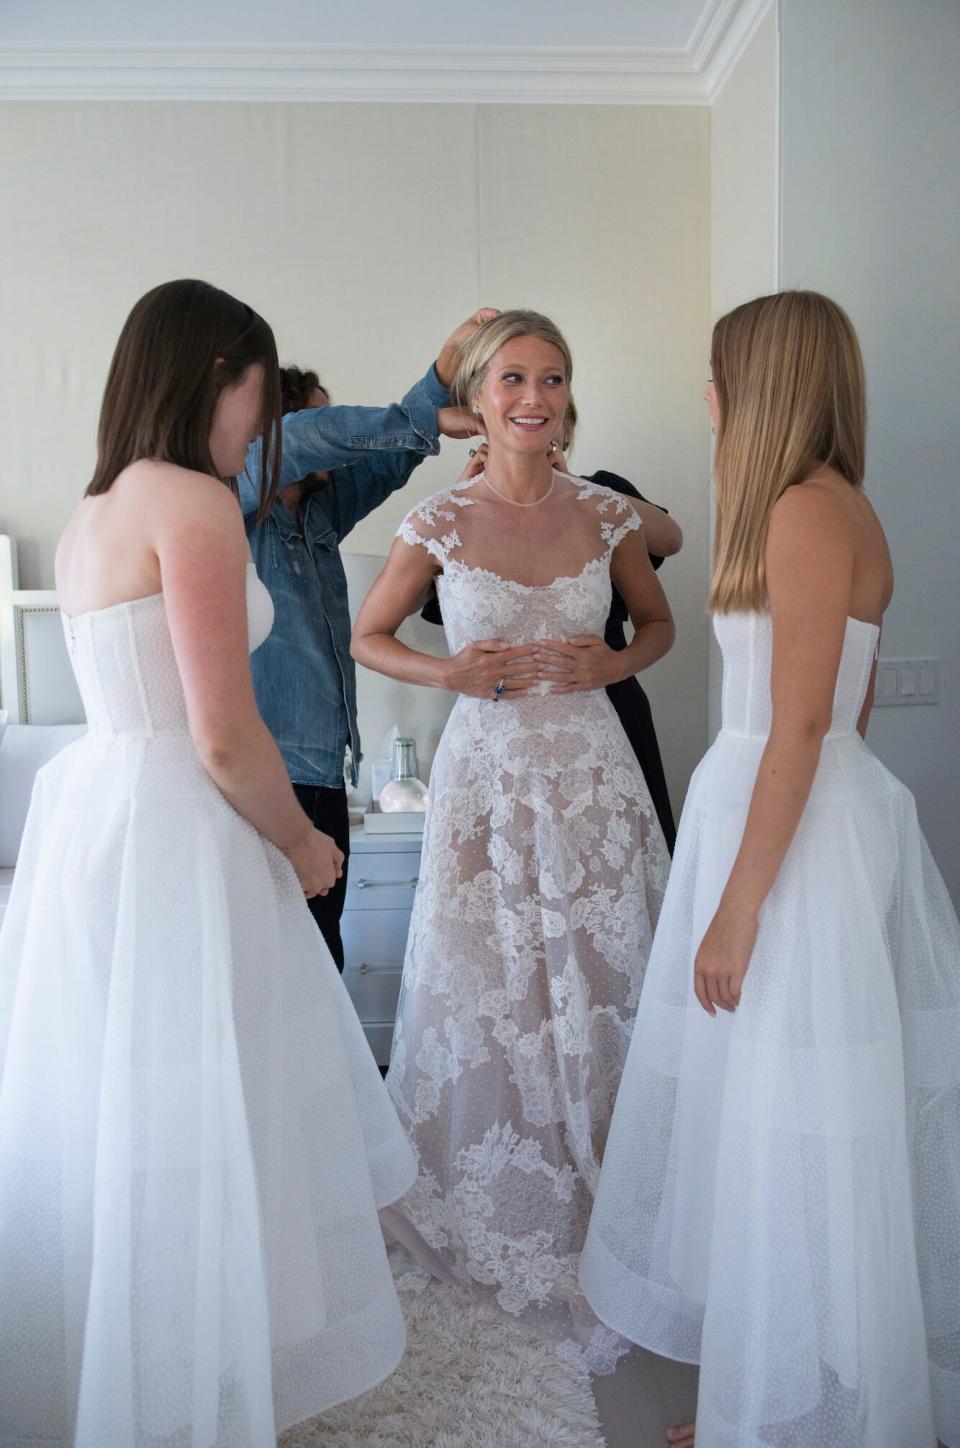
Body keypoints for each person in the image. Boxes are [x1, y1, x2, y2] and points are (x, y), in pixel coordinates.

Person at [0, 279, 419, 1448]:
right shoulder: (187, 498)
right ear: (219, 374)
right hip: (181, 819)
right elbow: (223, 729)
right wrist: (303, 842)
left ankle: (149, 1352)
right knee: (211, 1096)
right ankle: (198, 1370)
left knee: (129, 1102)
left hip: (100, 815)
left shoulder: (96, 507)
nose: (259, 425)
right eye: (255, 391)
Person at [579, 291, 960, 1448]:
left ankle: (798, 1412)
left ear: (762, 388)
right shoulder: (825, 505)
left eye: (718, 377)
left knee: (796, 1117)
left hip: (784, 847)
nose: (706, 399)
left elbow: (799, 727)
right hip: (796, 828)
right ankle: (773, 1390)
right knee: (773, 1120)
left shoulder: (804, 510)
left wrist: (738, 912)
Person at [351, 309, 674, 1368]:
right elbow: (371, 635)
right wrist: (448, 673)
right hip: (487, 781)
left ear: (566, 396)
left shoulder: (607, 515)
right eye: (514, 380)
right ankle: (504, 1196)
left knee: (600, 974)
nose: (534, 397)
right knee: (495, 989)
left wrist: (609, 666)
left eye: (553, 379)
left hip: (591, 781)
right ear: (479, 399)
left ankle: (622, 1203)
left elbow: (659, 623)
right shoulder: (438, 522)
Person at [237, 313, 494, 968]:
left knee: (322, 956)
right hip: (269, 776)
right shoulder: (239, 505)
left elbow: (383, 466)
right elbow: (302, 438)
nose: (337, 456)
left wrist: (437, 413)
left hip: (324, 769)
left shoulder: (316, 513)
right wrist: (431, 398)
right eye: (323, 431)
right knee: (287, 961)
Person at [430, 408, 682, 851]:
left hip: (606, 692)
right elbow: (424, 605)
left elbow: (670, 538)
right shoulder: (455, 515)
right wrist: (462, 499)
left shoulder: (604, 498)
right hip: (500, 721)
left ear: (566, 431)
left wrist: (584, 489)